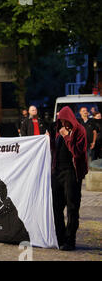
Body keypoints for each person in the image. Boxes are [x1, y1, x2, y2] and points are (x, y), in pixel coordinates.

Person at [50, 106, 88, 251]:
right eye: (60, 120)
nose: (63, 123)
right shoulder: (58, 131)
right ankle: (60, 238)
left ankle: (70, 240)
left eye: (65, 120)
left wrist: (67, 136)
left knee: (72, 207)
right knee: (56, 207)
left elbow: (78, 153)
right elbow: (55, 151)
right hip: (57, 173)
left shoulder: (80, 131)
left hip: (72, 173)